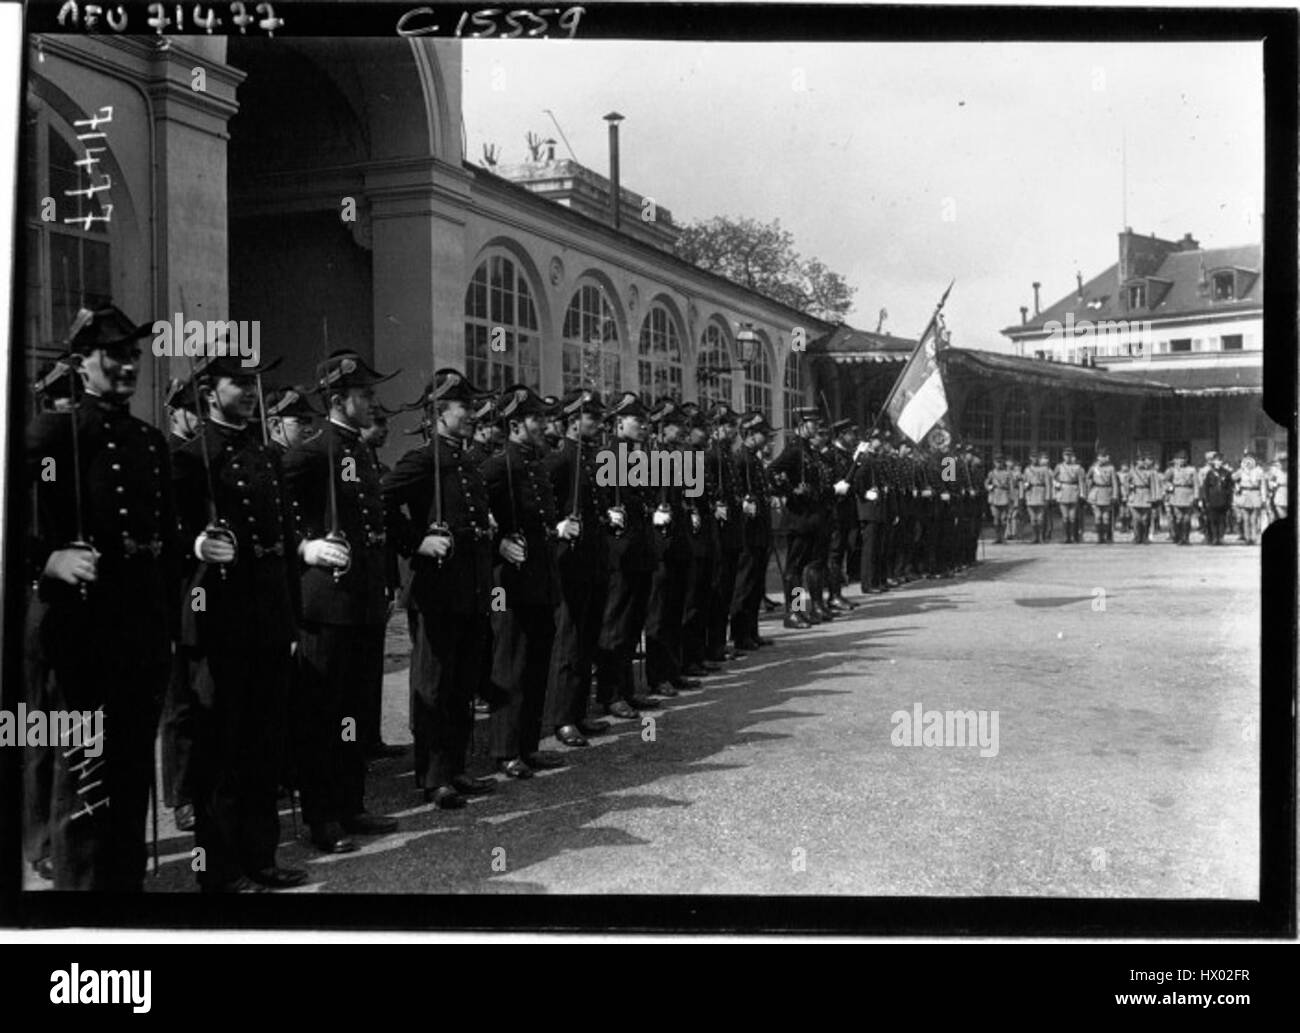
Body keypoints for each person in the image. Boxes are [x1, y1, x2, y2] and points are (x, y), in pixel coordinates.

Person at [27, 304, 179, 890]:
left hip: (140, 628)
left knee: (132, 769)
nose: (127, 365)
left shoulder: (148, 442)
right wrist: (48, 560)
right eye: (114, 355)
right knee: (85, 776)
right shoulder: (52, 436)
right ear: (80, 362)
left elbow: (165, 540)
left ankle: (124, 893)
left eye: (133, 355)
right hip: (84, 633)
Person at [171, 350, 307, 892]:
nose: (250, 392)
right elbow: (171, 538)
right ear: (209, 391)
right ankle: (220, 871)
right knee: (221, 751)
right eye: (237, 384)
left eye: (253, 384)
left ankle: (261, 858)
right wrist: (196, 544)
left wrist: (292, 617)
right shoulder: (188, 457)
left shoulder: (263, 452)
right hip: (219, 617)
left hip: (268, 617)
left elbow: (283, 539)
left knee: (262, 746)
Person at [280, 351, 401, 852]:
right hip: (327, 606)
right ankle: (322, 816)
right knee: (324, 714)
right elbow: (269, 514)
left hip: (363, 603)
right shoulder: (312, 452)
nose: (374, 402)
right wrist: (305, 546)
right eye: (365, 395)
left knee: (355, 712)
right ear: (337, 400)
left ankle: (352, 803)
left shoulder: (359, 450)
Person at [381, 368, 497, 809]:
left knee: (462, 682)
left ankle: (455, 767)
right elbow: (381, 499)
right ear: (438, 413)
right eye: (463, 407)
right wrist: (416, 541)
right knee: (433, 682)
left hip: (470, 587)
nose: (470, 414)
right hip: (438, 588)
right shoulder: (421, 460)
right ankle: (433, 777)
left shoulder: (466, 460)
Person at [479, 386, 568, 779]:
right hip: (510, 583)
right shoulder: (498, 466)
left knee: (535, 664)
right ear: (515, 425)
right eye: (536, 419)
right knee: (510, 664)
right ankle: (505, 748)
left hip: (540, 577)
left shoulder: (536, 462)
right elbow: (471, 514)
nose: (544, 424)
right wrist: (497, 543)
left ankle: (529, 745)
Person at [542, 388, 612, 746]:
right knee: (568, 642)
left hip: (593, 560)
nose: (599, 424)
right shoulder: (559, 461)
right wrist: (556, 526)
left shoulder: (592, 459)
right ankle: (562, 717)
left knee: (587, 640)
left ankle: (578, 711)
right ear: (572, 422)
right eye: (592, 417)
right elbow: (538, 506)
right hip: (569, 562)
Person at [594, 392, 660, 717]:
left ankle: (628, 688)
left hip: (640, 552)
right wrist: (609, 515)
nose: (644, 426)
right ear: (618, 422)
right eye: (638, 420)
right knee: (615, 624)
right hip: (618, 554)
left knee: (633, 624)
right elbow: (601, 504)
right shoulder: (606, 456)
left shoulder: (637, 456)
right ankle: (610, 692)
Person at [643, 399, 695, 696]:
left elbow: (688, 496)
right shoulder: (646, 458)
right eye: (676, 425)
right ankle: (657, 674)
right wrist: (653, 512)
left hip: (678, 543)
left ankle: (673, 669)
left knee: (675, 608)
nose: (682, 430)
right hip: (659, 544)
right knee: (658, 613)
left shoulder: (679, 458)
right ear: (662, 428)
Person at [769, 407, 825, 628]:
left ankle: (800, 610)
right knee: (793, 569)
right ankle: (792, 612)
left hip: (810, 517)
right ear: (802, 424)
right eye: (812, 423)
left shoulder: (809, 451)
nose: (816, 427)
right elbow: (771, 471)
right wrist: (790, 490)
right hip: (798, 518)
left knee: (801, 568)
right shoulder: (794, 450)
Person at [704, 403, 744, 661]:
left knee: (733, 588)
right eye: (729, 426)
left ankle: (806, 607)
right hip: (722, 532)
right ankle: (798, 609)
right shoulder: (712, 456)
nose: (733, 431)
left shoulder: (729, 456)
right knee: (726, 590)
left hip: (737, 531)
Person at [731, 411, 774, 648]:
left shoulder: (754, 459)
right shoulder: (742, 459)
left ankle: (751, 630)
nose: (767, 439)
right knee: (795, 572)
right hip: (752, 531)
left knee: (756, 584)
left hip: (762, 530)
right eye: (763, 434)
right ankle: (798, 610)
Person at [1124, 453, 1160, 544]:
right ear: (1136, 462)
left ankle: (1145, 536)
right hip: (1135, 495)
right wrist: (1127, 491)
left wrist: (1155, 497)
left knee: (1145, 519)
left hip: (1146, 496)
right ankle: (1137, 537)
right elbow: (1125, 483)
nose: (1142, 463)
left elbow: (1153, 485)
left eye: (1143, 461)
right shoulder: (1132, 472)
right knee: (1136, 519)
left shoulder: (1150, 472)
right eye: (1140, 461)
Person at [1086, 447, 1120, 543]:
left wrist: (1115, 495)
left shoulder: (1111, 468)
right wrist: (1088, 488)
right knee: (1097, 517)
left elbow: (1114, 483)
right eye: (1103, 456)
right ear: (1098, 457)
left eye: (1106, 456)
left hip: (1107, 493)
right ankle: (1099, 537)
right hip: (1096, 493)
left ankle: (1106, 536)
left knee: (1106, 518)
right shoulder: (1093, 468)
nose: (1106, 458)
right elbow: (1087, 478)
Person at [1163, 451, 1198, 546]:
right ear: (1175, 460)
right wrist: (1169, 487)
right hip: (1176, 494)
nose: (1180, 461)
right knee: (1178, 518)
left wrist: (1196, 496)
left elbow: (1196, 484)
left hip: (1188, 494)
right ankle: (1178, 537)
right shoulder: (1171, 470)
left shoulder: (1192, 470)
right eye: (1178, 459)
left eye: (1183, 459)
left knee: (1187, 519)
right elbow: (1165, 481)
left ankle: (1186, 538)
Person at [1198, 452, 1233, 545]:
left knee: (1222, 520)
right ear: (1213, 462)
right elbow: (1206, 487)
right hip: (1212, 499)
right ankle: (1214, 537)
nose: (1218, 462)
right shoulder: (1210, 473)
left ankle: (1220, 537)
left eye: (1220, 461)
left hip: (1223, 499)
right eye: (1216, 461)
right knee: (1213, 519)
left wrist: (1229, 500)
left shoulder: (1227, 473)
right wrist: (1205, 499)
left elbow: (1229, 487)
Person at [1053, 447, 1085, 544]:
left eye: (1069, 455)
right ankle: (1066, 537)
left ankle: (1074, 536)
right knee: (1065, 517)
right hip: (1063, 490)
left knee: (1073, 517)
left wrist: (1082, 493)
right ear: (1063, 456)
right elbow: (1053, 478)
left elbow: (1081, 481)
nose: (1067, 457)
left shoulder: (1077, 468)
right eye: (1066, 455)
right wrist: (1056, 486)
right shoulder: (1059, 467)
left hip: (1073, 490)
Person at [1022, 451, 1052, 543]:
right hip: (1030, 494)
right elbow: (1024, 482)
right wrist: (1025, 487)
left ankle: (1041, 537)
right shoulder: (1027, 470)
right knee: (1032, 519)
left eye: (1036, 457)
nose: (1034, 459)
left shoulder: (1044, 470)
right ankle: (1035, 536)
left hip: (1040, 493)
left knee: (1040, 518)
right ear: (1030, 458)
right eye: (1032, 457)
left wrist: (1048, 496)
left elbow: (1048, 484)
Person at [986, 453, 1013, 544]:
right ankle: (997, 537)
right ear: (994, 463)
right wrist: (989, 487)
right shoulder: (991, 473)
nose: (999, 464)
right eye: (997, 462)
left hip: (1004, 496)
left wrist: (1011, 497)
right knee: (996, 519)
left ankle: (1003, 537)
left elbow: (1011, 486)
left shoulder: (1007, 473)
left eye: (1000, 462)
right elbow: (986, 483)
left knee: (1004, 518)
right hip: (994, 497)